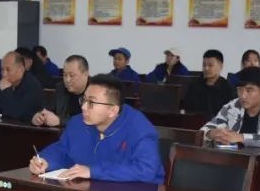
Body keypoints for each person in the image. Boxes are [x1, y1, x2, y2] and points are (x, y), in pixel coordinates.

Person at [28, 74, 164, 184]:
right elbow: (63, 150)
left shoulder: (139, 128)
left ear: (112, 110)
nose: (83, 107)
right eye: (84, 100)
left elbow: (146, 169)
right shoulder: (77, 123)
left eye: (91, 102)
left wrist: (93, 171)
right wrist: (46, 161)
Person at [201, 67, 260, 148]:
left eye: (249, 90)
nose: (243, 96)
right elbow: (203, 131)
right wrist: (211, 133)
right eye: (240, 89)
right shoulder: (232, 106)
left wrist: (241, 137)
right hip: (235, 156)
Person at [33, 54, 88, 127]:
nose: (67, 80)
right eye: (65, 75)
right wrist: (39, 117)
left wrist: (60, 121)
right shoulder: (60, 88)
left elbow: (89, 121)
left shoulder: (95, 92)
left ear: (85, 74)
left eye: (72, 75)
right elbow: (48, 110)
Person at [183, 49, 235, 117]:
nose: (206, 68)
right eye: (204, 65)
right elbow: (186, 107)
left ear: (221, 66)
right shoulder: (195, 85)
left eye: (210, 65)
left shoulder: (228, 89)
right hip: (195, 122)